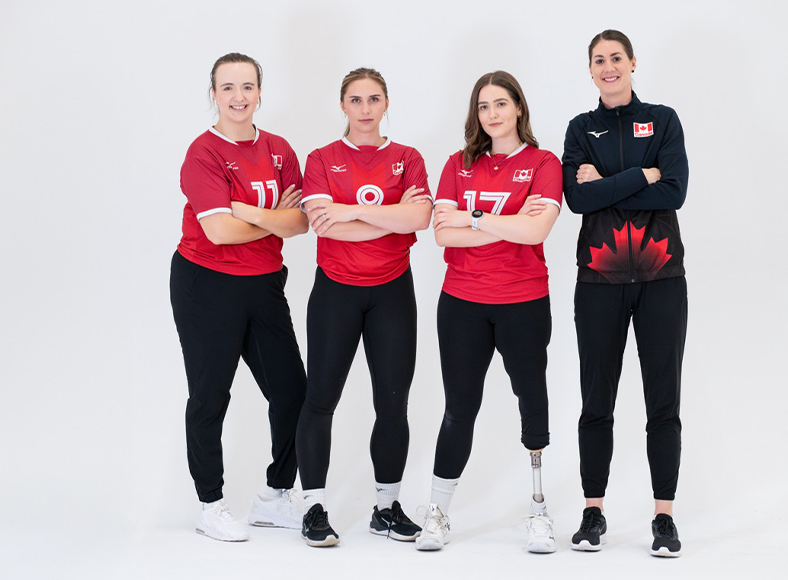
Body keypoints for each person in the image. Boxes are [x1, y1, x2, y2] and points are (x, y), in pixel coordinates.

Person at [415, 71, 562, 554]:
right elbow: (443, 235)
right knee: (459, 408)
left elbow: (536, 233)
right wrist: (510, 223)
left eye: (501, 103)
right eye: (483, 106)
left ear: (519, 107)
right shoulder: (459, 164)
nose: (493, 114)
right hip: (462, 302)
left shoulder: (543, 162)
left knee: (531, 400)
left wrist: (473, 217)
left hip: (522, 300)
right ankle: (437, 513)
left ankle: (539, 511)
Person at [170, 52, 309, 542]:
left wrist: (245, 208)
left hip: (265, 281)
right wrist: (267, 218)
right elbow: (218, 232)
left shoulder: (278, 149)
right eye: (227, 87)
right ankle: (210, 504)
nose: (238, 97)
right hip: (205, 283)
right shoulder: (203, 153)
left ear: (259, 92)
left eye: (247, 86)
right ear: (214, 93)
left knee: (292, 390)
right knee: (211, 394)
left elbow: (300, 222)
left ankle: (274, 497)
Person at [561, 29, 689, 557]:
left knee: (664, 402)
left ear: (633, 63)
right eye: (599, 60)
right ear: (589, 70)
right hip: (598, 281)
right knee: (597, 401)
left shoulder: (663, 119)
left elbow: (675, 190)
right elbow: (576, 199)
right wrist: (643, 172)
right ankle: (593, 512)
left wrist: (607, 183)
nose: (608, 67)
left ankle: (664, 518)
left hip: (662, 279)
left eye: (617, 58)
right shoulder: (579, 128)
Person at [295, 67, 432, 547]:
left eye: (374, 99)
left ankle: (385, 507)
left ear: (386, 103)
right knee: (320, 399)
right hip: (336, 290)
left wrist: (352, 210)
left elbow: (420, 216)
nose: (366, 108)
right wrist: (390, 220)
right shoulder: (321, 158)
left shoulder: (407, 158)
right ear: (343, 106)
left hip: (393, 291)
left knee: (393, 404)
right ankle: (313, 507)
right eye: (356, 99)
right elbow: (323, 226)